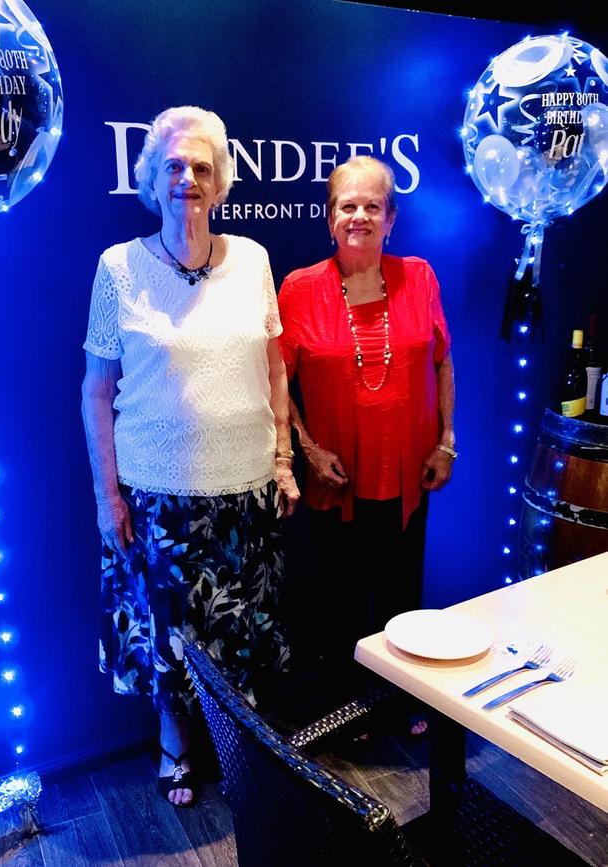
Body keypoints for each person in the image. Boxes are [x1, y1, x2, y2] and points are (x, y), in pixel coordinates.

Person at [81, 106, 299, 807]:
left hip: (247, 490)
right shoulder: (119, 267)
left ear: (221, 180)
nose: (188, 179)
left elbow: (275, 371)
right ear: (151, 177)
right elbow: (95, 391)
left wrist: (285, 459)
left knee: (245, 634)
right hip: (158, 498)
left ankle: (248, 756)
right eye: (174, 165)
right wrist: (105, 495)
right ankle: (175, 745)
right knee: (170, 644)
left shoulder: (256, 260)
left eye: (202, 167)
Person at [278, 156, 455, 727]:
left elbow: (443, 361)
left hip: (410, 472)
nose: (359, 216)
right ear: (329, 219)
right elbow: (276, 384)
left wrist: (446, 440)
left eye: (372, 206)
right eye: (346, 206)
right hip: (338, 476)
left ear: (391, 218)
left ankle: (404, 699)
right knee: (341, 601)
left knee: (403, 591)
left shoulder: (420, 276)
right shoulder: (300, 288)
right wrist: (306, 449)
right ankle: (346, 707)